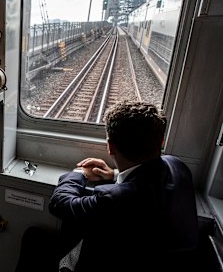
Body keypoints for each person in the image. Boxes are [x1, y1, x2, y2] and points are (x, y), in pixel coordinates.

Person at [16, 101, 198, 272]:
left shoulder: (116, 200)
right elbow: (147, 182)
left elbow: (60, 203)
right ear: (161, 142)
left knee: (34, 239)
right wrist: (114, 175)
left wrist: (78, 173)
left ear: (110, 147)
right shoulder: (178, 166)